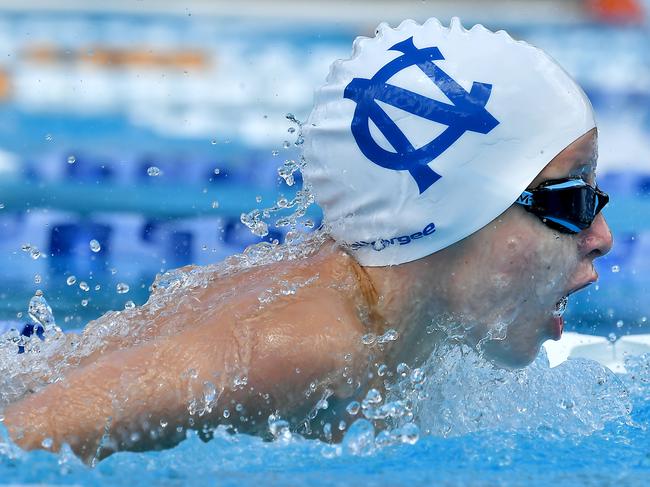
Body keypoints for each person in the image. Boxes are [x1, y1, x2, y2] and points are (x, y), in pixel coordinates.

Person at [1, 18, 612, 462]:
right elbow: (22, 439)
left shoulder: (387, 293)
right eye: (572, 202)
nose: (603, 238)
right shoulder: (305, 352)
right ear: (457, 211)